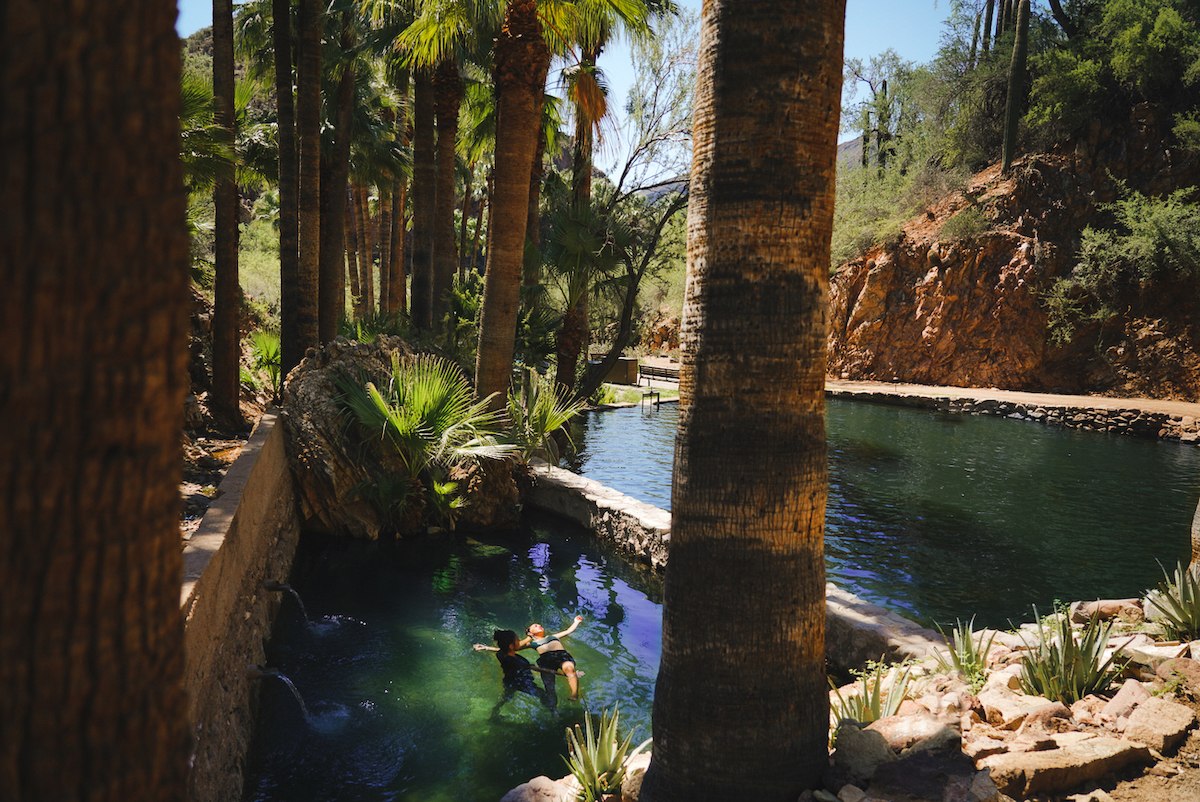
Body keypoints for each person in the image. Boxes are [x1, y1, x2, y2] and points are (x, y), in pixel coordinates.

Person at [476, 629, 557, 714]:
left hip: (509, 681)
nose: (520, 642)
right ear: (511, 646)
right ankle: (554, 712)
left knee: (506, 697)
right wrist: (560, 673)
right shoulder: (518, 662)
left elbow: (500, 650)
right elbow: (538, 669)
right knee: (541, 694)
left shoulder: (501, 654)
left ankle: (494, 712)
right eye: (518, 640)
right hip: (522, 683)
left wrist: (486, 648)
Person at [520, 616, 583, 701]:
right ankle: (554, 710)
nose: (539, 626)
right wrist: (496, 649)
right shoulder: (532, 643)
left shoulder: (552, 637)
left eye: (539, 625)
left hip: (561, 655)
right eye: (535, 626)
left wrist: (576, 622)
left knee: (569, 669)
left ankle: (574, 693)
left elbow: (568, 631)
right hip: (546, 660)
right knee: (549, 688)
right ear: (530, 633)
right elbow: (515, 647)